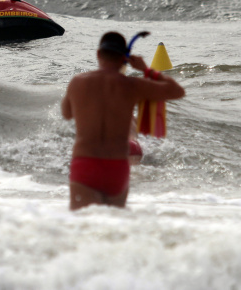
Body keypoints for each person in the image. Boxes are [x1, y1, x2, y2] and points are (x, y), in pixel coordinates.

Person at [61, 32, 185, 210]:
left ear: (98, 54)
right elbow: (176, 91)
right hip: (117, 167)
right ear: (125, 59)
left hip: (86, 162)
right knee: (115, 225)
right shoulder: (131, 85)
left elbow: (66, 114)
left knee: (83, 225)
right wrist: (146, 70)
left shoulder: (78, 82)